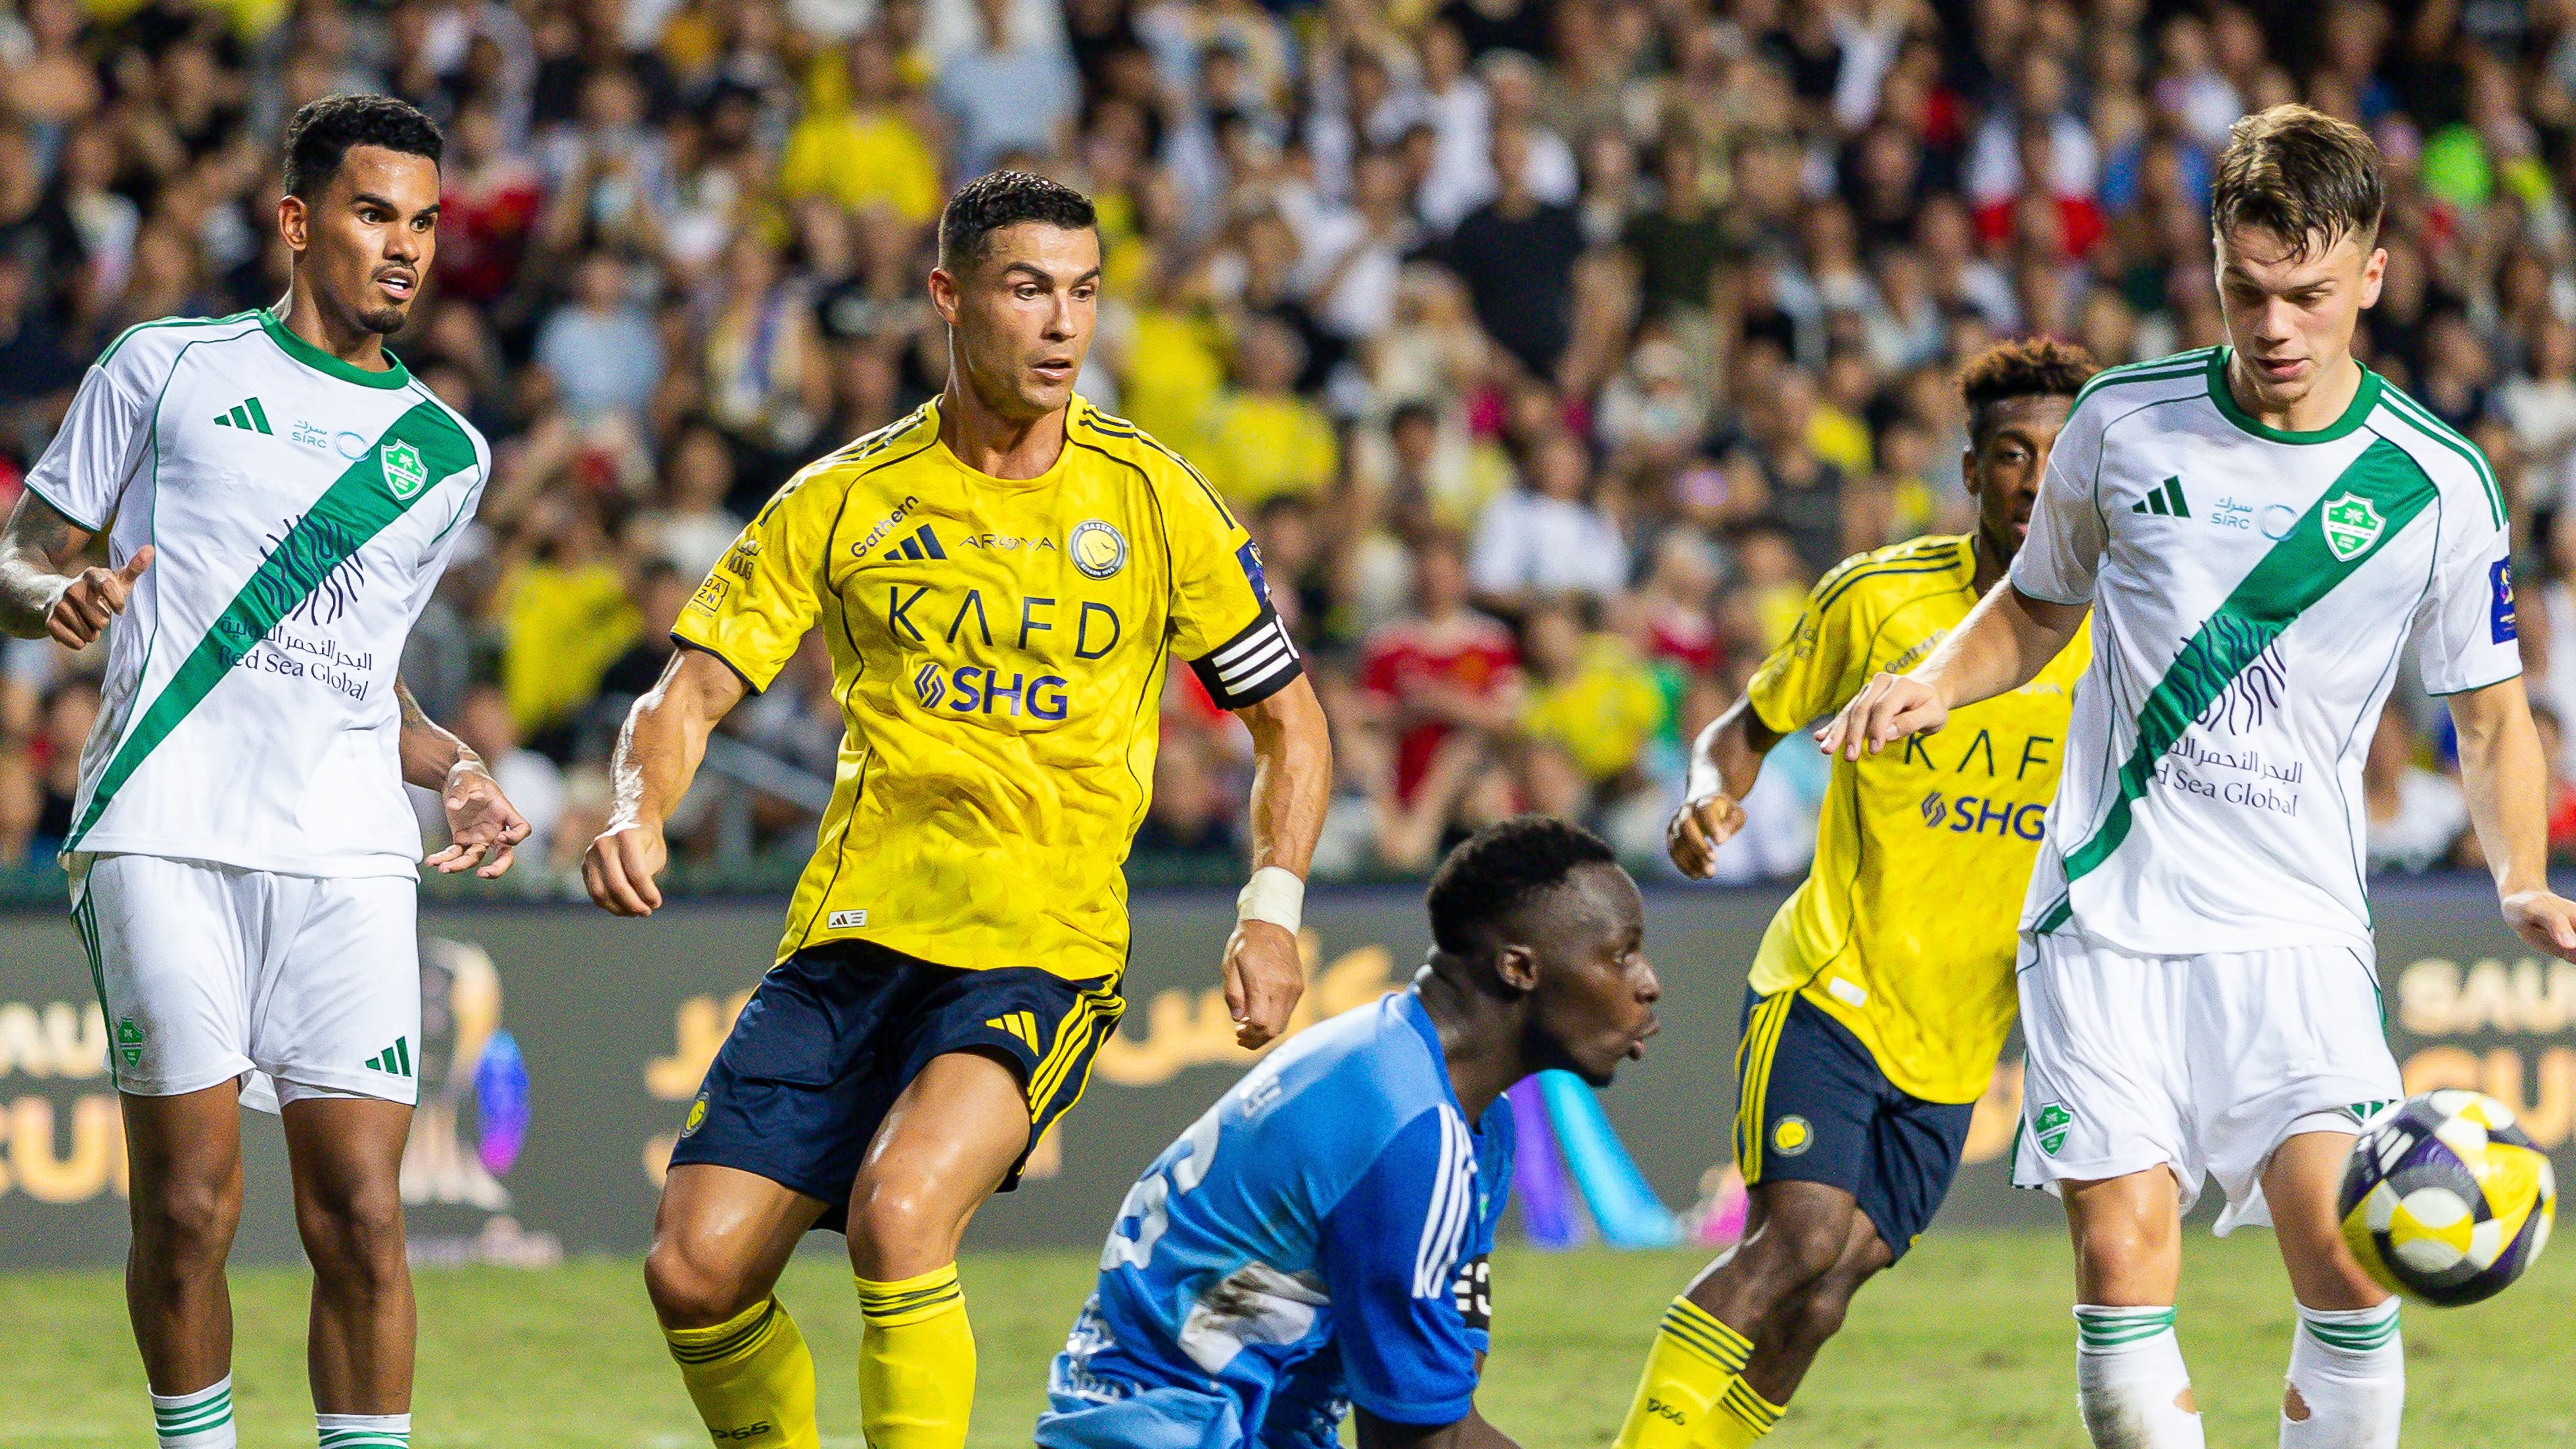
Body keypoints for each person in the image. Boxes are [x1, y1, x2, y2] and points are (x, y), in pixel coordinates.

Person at [1823, 104, 2576, 1449]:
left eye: (2306, 293)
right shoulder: (2121, 422)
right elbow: (2035, 605)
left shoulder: (2437, 485)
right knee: (2120, 1267)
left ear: (2373, 277)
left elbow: (2492, 714)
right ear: (2214, 271)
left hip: (2294, 935)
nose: (2273, 326)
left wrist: (2519, 871)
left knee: (2348, 1269)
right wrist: (1933, 678)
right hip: (2106, 918)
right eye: (2245, 290)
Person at [583, 170, 1334, 1449]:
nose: (1061, 324)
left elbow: (1289, 719)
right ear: (949, 296)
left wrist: (1271, 907)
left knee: (900, 1213)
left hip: (1036, 939)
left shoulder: (1154, 498)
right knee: (695, 1271)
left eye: (1083, 293)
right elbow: (689, 687)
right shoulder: (844, 496)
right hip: (853, 936)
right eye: (1028, 288)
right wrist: (634, 807)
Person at [0, 94, 526, 1449]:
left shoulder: (448, 456)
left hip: (349, 848)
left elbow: (367, 671)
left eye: (422, 222)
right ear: (298, 221)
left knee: (361, 1207)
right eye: (371, 214)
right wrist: (42, 601)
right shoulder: (164, 367)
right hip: (163, 821)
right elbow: (26, 552)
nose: (403, 247)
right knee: (186, 1204)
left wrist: (457, 765)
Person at [1613, 338, 2097, 1449]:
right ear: (1971, 472)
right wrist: (1703, 800)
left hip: (1962, 1030)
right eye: (2011, 454)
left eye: (2062, 455)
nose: (2035, 477)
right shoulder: (1876, 602)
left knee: (1825, 1296)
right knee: (1794, 1243)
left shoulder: (2124, 631)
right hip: (1832, 982)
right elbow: (1743, 730)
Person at [1037, 816, 1661, 1449]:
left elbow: (1446, 1407)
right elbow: (1417, 1443)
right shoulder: (1410, 1131)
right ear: (1519, 968)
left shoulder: (1451, 1105)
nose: (1648, 982)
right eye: (1621, 953)